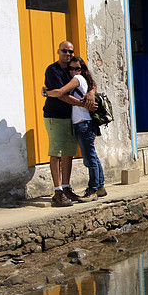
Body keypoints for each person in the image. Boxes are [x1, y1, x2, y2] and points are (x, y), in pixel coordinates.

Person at [45, 56, 106, 200]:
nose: (74, 71)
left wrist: (46, 93)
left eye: (77, 68)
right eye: (71, 68)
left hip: (83, 123)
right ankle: (100, 187)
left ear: (82, 69)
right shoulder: (84, 80)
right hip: (84, 123)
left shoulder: (77, 79)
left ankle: (93, 189)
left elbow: (60, 93)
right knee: (92, 155)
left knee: (89, 158)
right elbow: (92, 85)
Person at [43, 41, 95, 206]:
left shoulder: (73, 69)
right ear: (58, 51)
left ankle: (66, 187)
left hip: (70, 117)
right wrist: (83, 104)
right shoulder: (53, 70)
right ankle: (57, 192)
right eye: (64, 51)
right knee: (56, 153)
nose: (68, 54)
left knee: (68, 153)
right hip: (55, 116)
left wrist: (91, 93)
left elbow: (91, 81)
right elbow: (61, 95)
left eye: (70, 51)